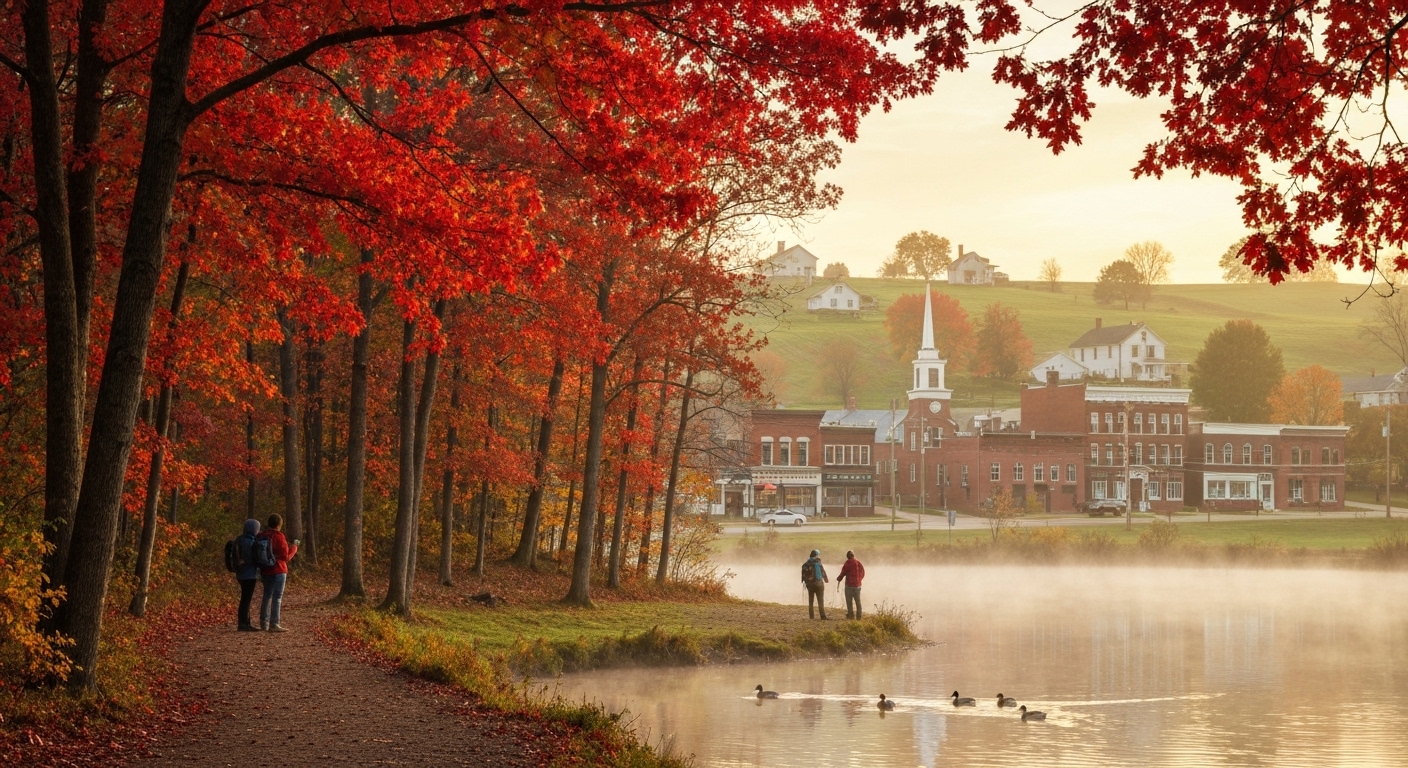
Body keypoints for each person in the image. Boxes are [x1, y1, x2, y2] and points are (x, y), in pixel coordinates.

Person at [257, 513, 298, 632]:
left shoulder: (261, 536)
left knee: (266, 596)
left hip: (265, 570)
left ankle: (263, 622)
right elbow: (286, 557)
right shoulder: (279, 536)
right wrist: (294, 548)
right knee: (277, 597)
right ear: (279, 524)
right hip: (279, 570)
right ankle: (274, 623)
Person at [235, 518, 261, 631]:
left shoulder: (239, 539)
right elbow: (252, 558)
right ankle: (244, 623)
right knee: (246, 599)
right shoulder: (251, 541)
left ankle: (244, 622)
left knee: (244, 598)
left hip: (240, 573)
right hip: (249, 573)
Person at [838, 550, 866, 619]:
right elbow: (863, 572)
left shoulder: (847, 563)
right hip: (857, 586)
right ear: (853, 556)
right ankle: (859, 617)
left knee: (849, 602)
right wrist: (859, 580)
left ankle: (851, 616)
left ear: (847, 557)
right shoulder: (858, 563)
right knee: (858, 602)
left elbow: (843, 572)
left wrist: (839, 578)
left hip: (849, 586)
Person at [802, 549, 828, 620]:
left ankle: (811, 617)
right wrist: (826, 579)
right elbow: (823, 572)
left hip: (810, 585)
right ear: (816, 555)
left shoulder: (805, 564)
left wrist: (807, 582)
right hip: (819, 584)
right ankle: (822, 616)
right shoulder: (818, 563)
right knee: (820, 601)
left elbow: (803, 576)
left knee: (811, 601)